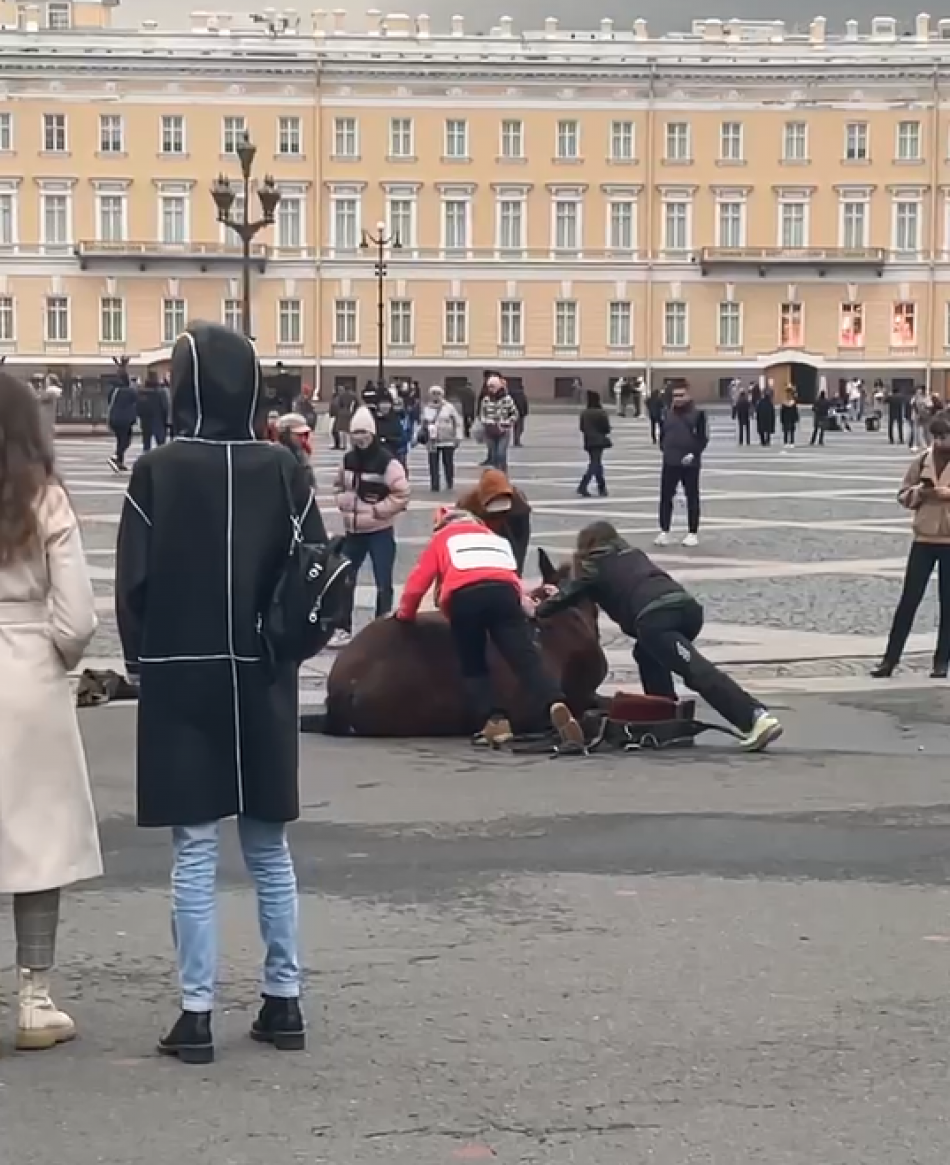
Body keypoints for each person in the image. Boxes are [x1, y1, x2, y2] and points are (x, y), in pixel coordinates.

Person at [116, 323, 327, 1064]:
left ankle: (197, 1012)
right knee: (270, 847)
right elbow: (315, 570)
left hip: (182, 668)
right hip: (262, 669)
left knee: (195, 851)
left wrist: (142, 663)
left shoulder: (159, 469)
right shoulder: (283, 467)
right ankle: (284, 1000)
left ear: (184, 384)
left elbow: (133, 584)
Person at [0, 373, 102, 1052]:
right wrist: (54, 654)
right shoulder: (44, 497)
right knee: (34, 840)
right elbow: (77, 618)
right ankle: (34, 996)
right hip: (27, 671)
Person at [537, 521, 784, 751]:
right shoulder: (633, 554)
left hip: (655, 620)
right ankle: (665, 717)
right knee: (646, 654)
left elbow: (566, 596)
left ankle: (754, 717)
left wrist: (537, 608)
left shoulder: (594, 565)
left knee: (695, 671)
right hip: (687, 610)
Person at [395, 507, 586, 749]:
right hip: (503, 595)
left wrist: (405, 614)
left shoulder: (443, 538)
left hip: (465, 598)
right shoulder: (494, 539)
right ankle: (555, 703)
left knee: (473, 663)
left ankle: (494, 720)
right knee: (525, 658)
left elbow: (418, 582)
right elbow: (513, 580)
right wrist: (528, 607)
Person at [871, 412, 950, 680]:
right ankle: (889, 660)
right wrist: (922, 493)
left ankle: (942, 662)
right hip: (924, 539)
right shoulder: (922, 461)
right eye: (936, 437)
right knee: (908, 601)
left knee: (948, 604)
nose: (939, 443)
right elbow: (903, 494)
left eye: (944, 437)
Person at [329, 406, 410, 648]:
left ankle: (382, 629)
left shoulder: (387, 461)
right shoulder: (348, 460)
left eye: (364, 432)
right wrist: (344, 502)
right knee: (344, 579)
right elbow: (338, 486)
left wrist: (378, 511)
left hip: (379, 531)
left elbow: (402, 493)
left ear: (372, 433)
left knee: (383, 582)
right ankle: (342, 627)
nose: (359, 438)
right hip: (354, 532)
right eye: (355, 433)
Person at [656, 383, 707, 548]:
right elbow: (662, 435)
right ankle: (664, 531)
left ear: (688, 396)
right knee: (665, 496)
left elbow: (702, 438)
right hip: (670, 460)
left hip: (690, 463)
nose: (678, 399)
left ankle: (692, 533)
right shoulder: (666, 414)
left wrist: (693, 454)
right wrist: (665, 449)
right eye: (675, 396)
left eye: (681, 395)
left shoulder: (698, 414)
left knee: (691, 497)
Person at [458, 468, 532, 575]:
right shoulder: (468, 503)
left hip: (510, 528)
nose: (498, 514)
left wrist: (515, 571)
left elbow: (520, 544)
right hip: (479, 534)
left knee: (514, 562)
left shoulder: (519, 506)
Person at [420, 385, 461, 492]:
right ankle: (434, 485)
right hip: (432, 440)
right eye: (433, 394)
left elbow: (457, 422)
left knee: (448, 462)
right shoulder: (427, 408)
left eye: (438, 393)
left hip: (448, 439)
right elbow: (423, 423)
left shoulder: (449, 407)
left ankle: (449, 482)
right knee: (433, 463)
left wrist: (458, 437)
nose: (436, 396)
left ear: (442, 395)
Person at [478, 375, 519, 473]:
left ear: (498, 386)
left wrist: (507, 422)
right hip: (490, 430)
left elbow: (515, 414)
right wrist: (487, 422)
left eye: (492, 386)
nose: (491, 389)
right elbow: (482, 414)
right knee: (493, 455)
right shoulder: (486, 399)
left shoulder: (507, 399)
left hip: (503, 430)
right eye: (489, 387)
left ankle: (503, 475)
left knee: (501, 453)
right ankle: (495, 475)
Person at [577, 390, 611, 498]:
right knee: (595, 464)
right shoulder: (601, 413)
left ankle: (602, 487)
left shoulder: (585, 413)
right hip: (599, 440)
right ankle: (583, 485)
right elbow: (606, 428)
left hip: (588, 440)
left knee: (596, 463)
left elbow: (581, 428)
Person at [107, 372, 138, 473]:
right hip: (125, 420)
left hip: (114, 419)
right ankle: (115, 457)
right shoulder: (129, 391)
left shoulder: (114, 390)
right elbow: (136, 400)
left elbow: (109, 401)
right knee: (126, 441)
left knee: (120, 440)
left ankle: (119, 462)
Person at [275, 412, 315, 488]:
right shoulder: (276, 455)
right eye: (298, 435)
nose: (303, 439)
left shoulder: (302, 454)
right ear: (285, 434)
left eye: (305, 435)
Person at [137, 371, 170, 452]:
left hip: (145, 421)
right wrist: (167, 420)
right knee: (161, 444)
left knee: (146, 444)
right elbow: (165, 406)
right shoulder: (160, 392)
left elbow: (138, 407)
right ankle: (160, 460)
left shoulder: (141, 392)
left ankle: (146, 460)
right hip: (158, 420)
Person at [375, 393, 408, 466]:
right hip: (376, 457)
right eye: (382, 403)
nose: (385, 406)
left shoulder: (396, 419)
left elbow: (402, 439)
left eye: (387, 403)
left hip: (394, 455)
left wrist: (387, 439)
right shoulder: (373, 419)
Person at [329, 384, 356, 451]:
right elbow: (357, 403)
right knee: (348, 430)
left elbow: (336, 405)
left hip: (341, 413)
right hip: (349, 412)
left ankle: (343, 445)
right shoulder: (353, 395)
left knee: (342, 430)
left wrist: (335, 412)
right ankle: (351, 445)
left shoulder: (340, 396)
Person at [508, 380, 529, 447]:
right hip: (520, 413)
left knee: (516, 428)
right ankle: (517, 441)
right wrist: (526, 412)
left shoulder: (512, 395)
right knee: (520, 428)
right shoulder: (521, 395)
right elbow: (525, 404)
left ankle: (516, 440)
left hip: (514, 413)